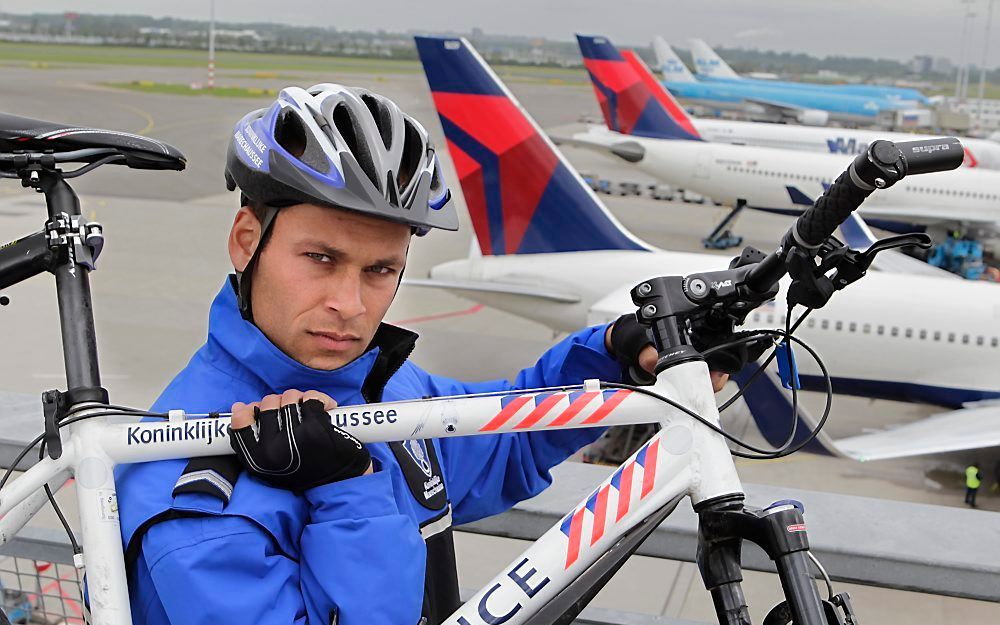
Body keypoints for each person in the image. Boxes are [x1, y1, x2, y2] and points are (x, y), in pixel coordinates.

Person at [115, 84, 728, 625]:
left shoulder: (379, 389)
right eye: (321, 259)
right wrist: (346, 488)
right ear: (248, 242)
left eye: (381, 270)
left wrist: (615, 354)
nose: (351, 304)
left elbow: (501, 447)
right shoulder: (193, 497)